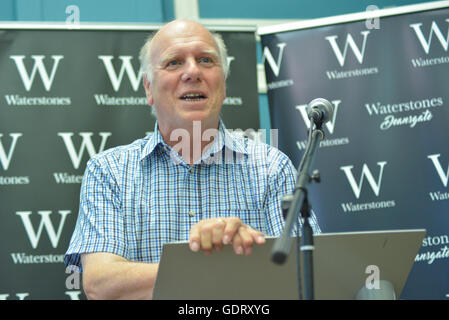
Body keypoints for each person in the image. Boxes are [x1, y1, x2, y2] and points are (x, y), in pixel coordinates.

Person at [64, 19, 320, 300]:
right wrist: (217, 262)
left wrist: (248, 250)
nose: (192, 71)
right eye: (174, 63)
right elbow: (101, 285)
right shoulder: (109, 171)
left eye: (206, 60)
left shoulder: (271, 166)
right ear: (148, 88)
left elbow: (310, 276)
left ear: (223, 85)